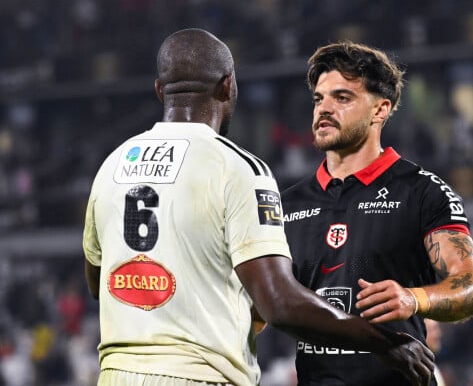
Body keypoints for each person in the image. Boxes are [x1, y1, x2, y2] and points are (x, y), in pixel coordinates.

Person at [82, 29, 435, 386]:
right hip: (200, 376)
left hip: (115, 375)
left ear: (160, 90)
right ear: (227, 86)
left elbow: (99, 282)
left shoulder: (111, 166)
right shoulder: (237, 168)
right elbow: (279, 305)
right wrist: (384, 343)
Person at [281, 41, 473, 385]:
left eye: (342, 98)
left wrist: (414, 297)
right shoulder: (287, 204)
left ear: (380, 110)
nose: (324, 109)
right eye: (319, 99)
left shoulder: (422, 191)